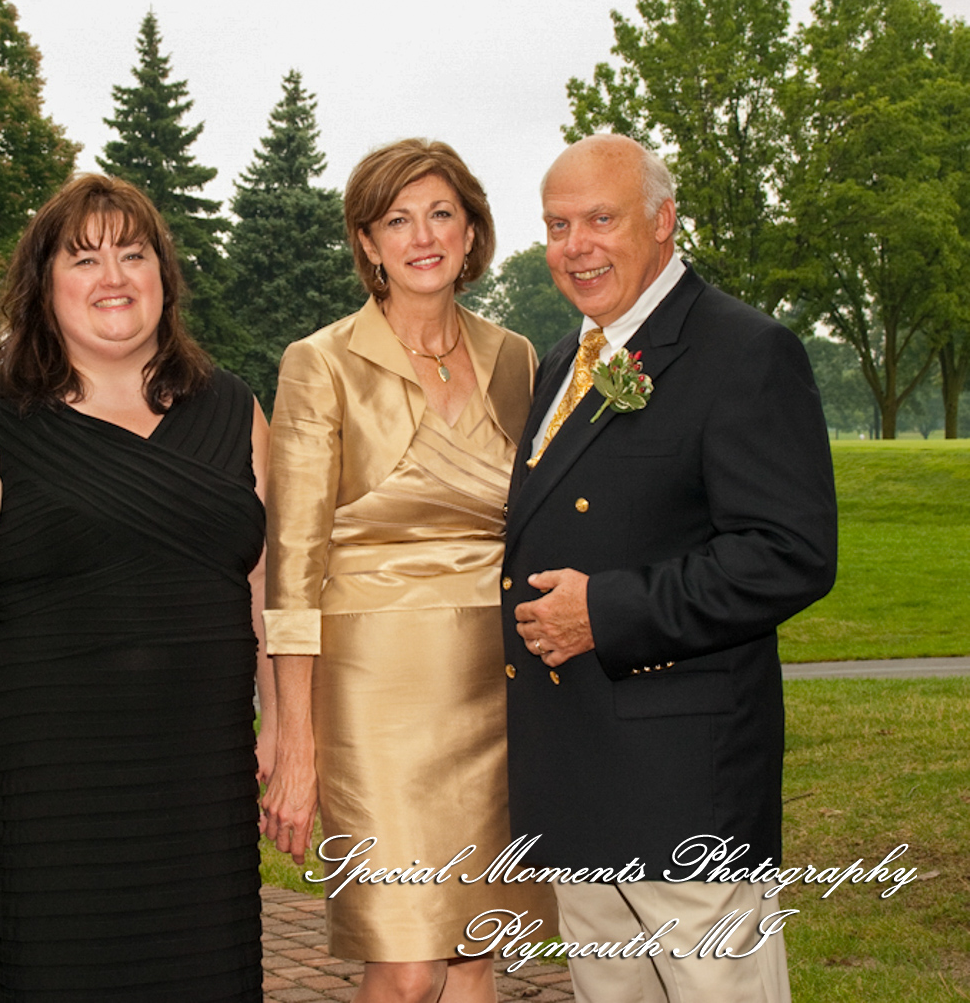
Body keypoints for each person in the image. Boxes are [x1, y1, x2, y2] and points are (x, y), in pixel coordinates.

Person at [0, 172, 272, 1001]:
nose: (113, 277)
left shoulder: (237, 411)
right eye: (83, 260)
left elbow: (266, 581)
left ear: (163, 277)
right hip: (56, 781)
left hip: (201, 771)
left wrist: (284, 729)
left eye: (133, 255)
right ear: (43, 288)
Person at [502, 133, 837, 1002]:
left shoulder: (743, 351)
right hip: (582, 774)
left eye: (600, 219)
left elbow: (788, 555)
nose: (576, 245)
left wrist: (605, 614)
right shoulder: (562, 366)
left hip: (686, 788)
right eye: (557, 225)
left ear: (663, 222)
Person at [262, 139, 555, 1003]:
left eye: (441, 214)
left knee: (475, 948)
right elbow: (293, 563)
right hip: (374, 691)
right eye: (397, 220)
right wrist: (295, 743)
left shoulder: (517, 358)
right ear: (367, 242)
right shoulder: (320, 362)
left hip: (498, 682)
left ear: (471, 233)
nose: (422, 236)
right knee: (405, 956)